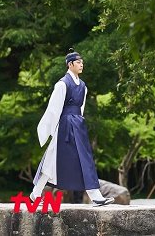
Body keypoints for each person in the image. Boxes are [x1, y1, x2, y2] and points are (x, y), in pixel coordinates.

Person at [31, 49, 114, 206]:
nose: (81, 64)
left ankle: (95, 195)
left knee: (85, 159)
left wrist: (79, 122)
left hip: (78, 125)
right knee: (51, 161)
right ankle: (35, 194)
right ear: (70, 64)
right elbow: (54, 109)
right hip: (65, 126)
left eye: (82, 62)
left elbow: (80, 108)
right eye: (78, 62)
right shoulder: (62, 84)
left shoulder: (83, 86)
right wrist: (50, 130)